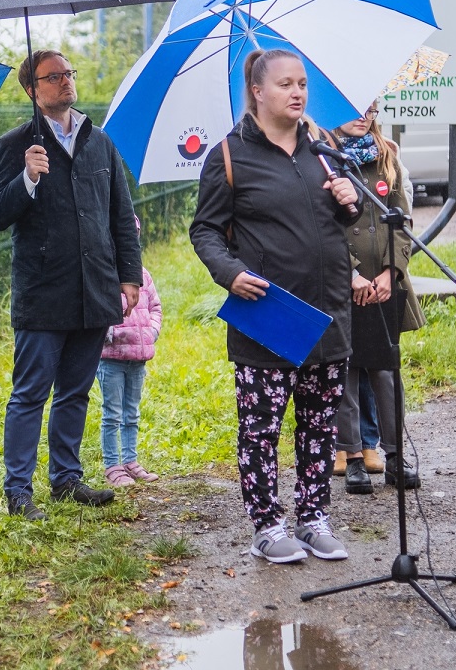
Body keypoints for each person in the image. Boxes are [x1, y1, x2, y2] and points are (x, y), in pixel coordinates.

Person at [190, 48, 362, 564]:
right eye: (286, 84)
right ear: (258, 92)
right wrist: (230, 273)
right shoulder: (228, 155)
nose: (298, 92)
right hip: (270, 315)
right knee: (261, 428)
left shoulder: (323, 151)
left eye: (303, 83)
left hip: (328, 310)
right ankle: (267, 526)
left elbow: (336, 226)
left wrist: (347, 203)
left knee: (319, 424)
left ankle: (313, 518)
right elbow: (204, 230)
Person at [0, 49, 142, 520]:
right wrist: (27, 178)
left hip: (95, 287)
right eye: (53, 77)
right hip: (43, 290)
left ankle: (66, 479)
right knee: (31, 392)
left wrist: (129, 276)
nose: (65, 82)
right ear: (32, 91)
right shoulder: (14, 146)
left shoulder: (100, 142)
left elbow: (120, 213)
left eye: (68, 73)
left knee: (75, 391)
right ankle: (18, 490)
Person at [327, 105, 424, 494]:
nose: (364, 115)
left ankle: (396, 456)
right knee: (346, 371)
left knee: (385, 371)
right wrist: (351, 275)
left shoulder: (387, 156)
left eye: (371, 108)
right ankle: (352, 458)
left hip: (384, 283)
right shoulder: (322, 158)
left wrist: (390, 272)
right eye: (354, 108)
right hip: (342, 284)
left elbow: (402, 220)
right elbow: (325, 226)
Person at [98, 216, 162, 487]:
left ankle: (130, 460)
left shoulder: (142, 275)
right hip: (111, 358)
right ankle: (112, 465)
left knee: (132, 412)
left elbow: (156, 308)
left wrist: (152, 332)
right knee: (112, 413)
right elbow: (96, 308)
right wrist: (109, 333)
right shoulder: (102, 274)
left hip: (139, 356)